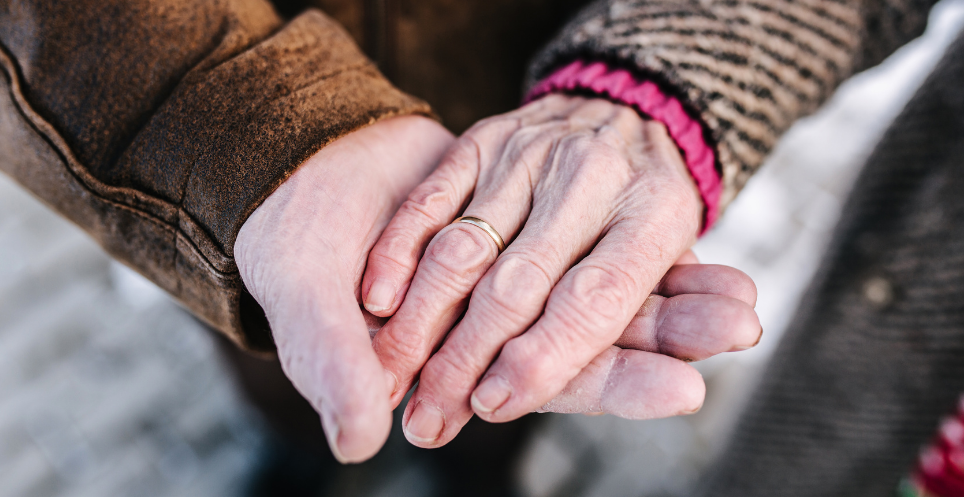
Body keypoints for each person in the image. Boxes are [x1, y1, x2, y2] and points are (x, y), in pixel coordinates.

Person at [0, 0, 762, 470]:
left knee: (518, 365)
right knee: (282, 351)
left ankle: (481, 472)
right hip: (224, 169)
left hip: (539, 70)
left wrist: (646, 77)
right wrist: (239, 120)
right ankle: (298, 454)